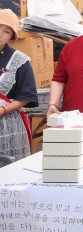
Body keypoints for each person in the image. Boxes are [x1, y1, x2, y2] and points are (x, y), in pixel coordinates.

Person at [0, 9, 37, 162]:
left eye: (6, 31)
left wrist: (4, 110)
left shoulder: (19, 60)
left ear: (12, 36)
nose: (0, 34)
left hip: (8, 123)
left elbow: (26, 95)